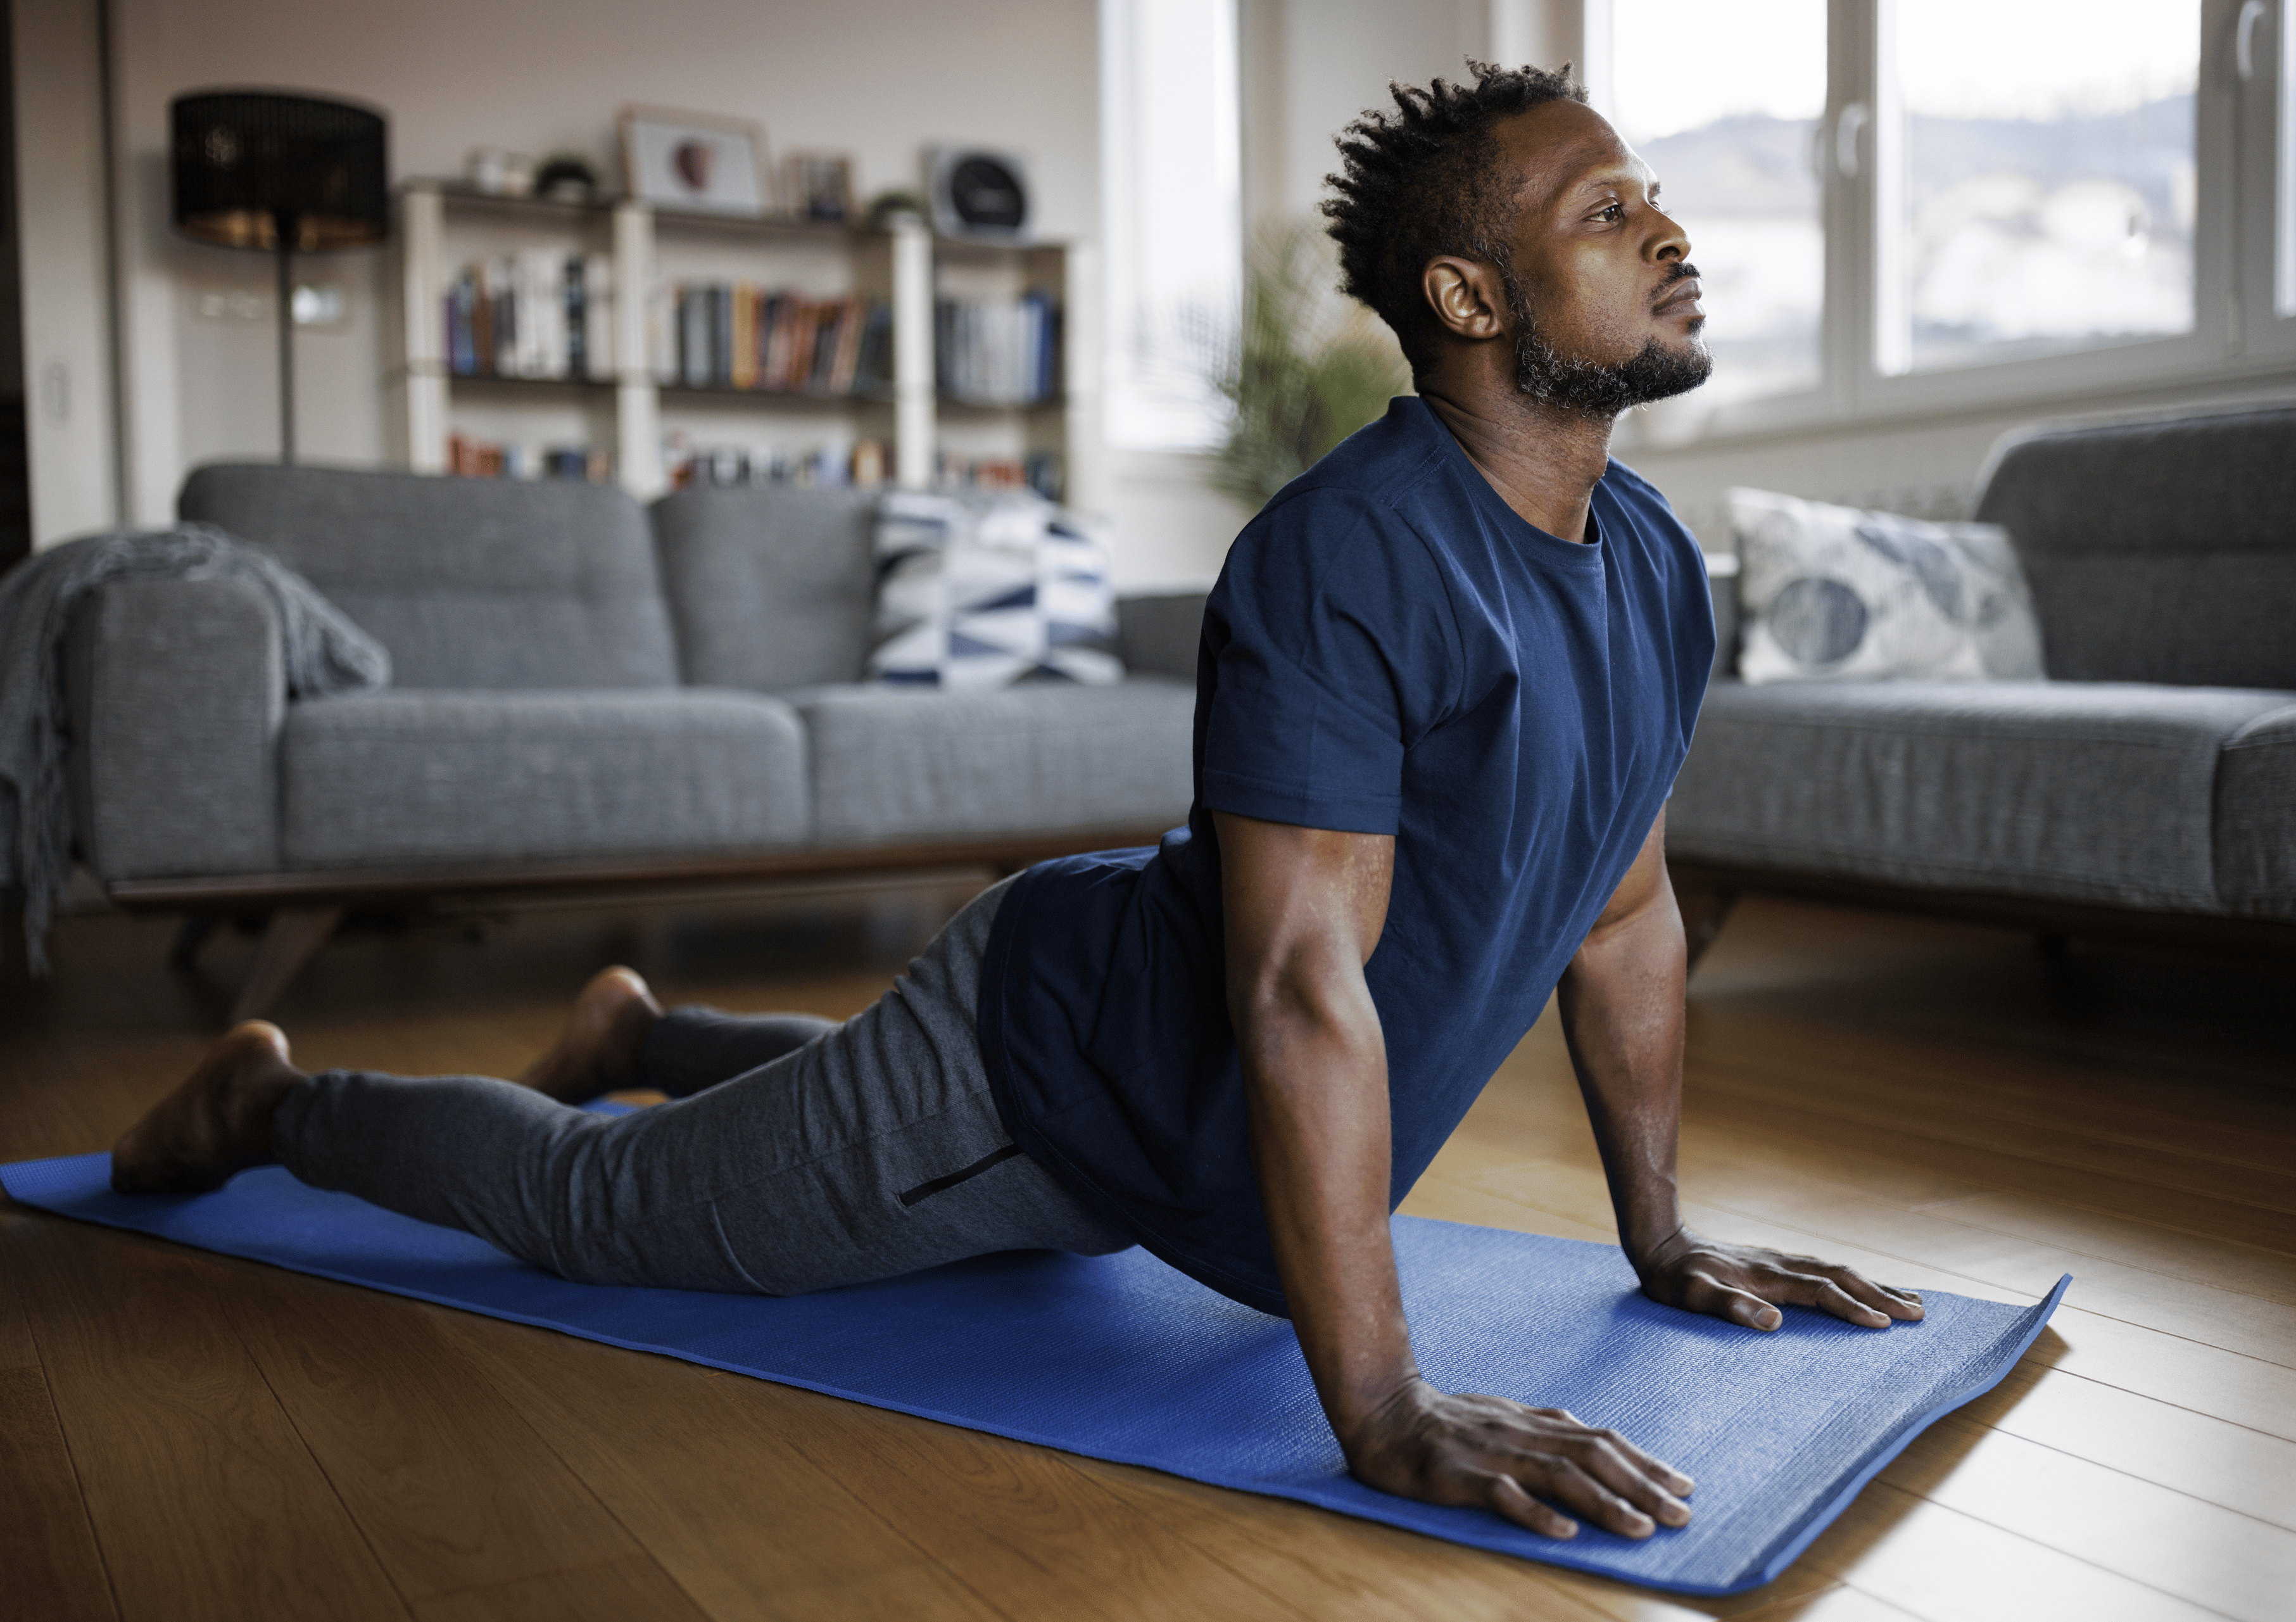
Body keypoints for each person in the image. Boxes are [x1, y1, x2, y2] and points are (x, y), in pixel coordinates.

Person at [113, 62, 1922, 1544]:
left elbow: (1620, 911)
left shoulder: (1658, 561)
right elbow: (1302, 992)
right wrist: (1378, 1408)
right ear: (1468, 300)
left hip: (1137, 1081)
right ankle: (283, 1102)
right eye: (1606, 212)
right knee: (596, 1212)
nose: (1667, 232)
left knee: (819, 1142)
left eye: (1652, 196)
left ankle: (647, 1020)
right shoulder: (1347, 558)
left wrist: (1663, 1236)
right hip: (1041, 1086)